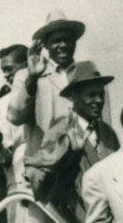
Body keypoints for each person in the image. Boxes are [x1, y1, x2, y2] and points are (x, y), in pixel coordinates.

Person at [23, 61, 120, 223]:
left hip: (109, 217)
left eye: (101, 94)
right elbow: (47, 188)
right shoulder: (59, 132)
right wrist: (72, 155)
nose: (98, 100)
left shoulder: (108, 134)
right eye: (91, 95)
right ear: (74, 97)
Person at [7, 10, 107, 156]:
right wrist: (32, 79)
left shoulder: (88, 76)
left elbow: (103, 123)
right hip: (46, 162)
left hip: (86, 159)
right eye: (56, 40)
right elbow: (14, 117)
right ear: (46, 44)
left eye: (68, 40)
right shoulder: (26, 75)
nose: (63, 45)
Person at [0, 44, 29, 195]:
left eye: (9, 69)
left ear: (27, 65)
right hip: (17, 180)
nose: (5, 75)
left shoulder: (46, 94)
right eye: (3, 70)